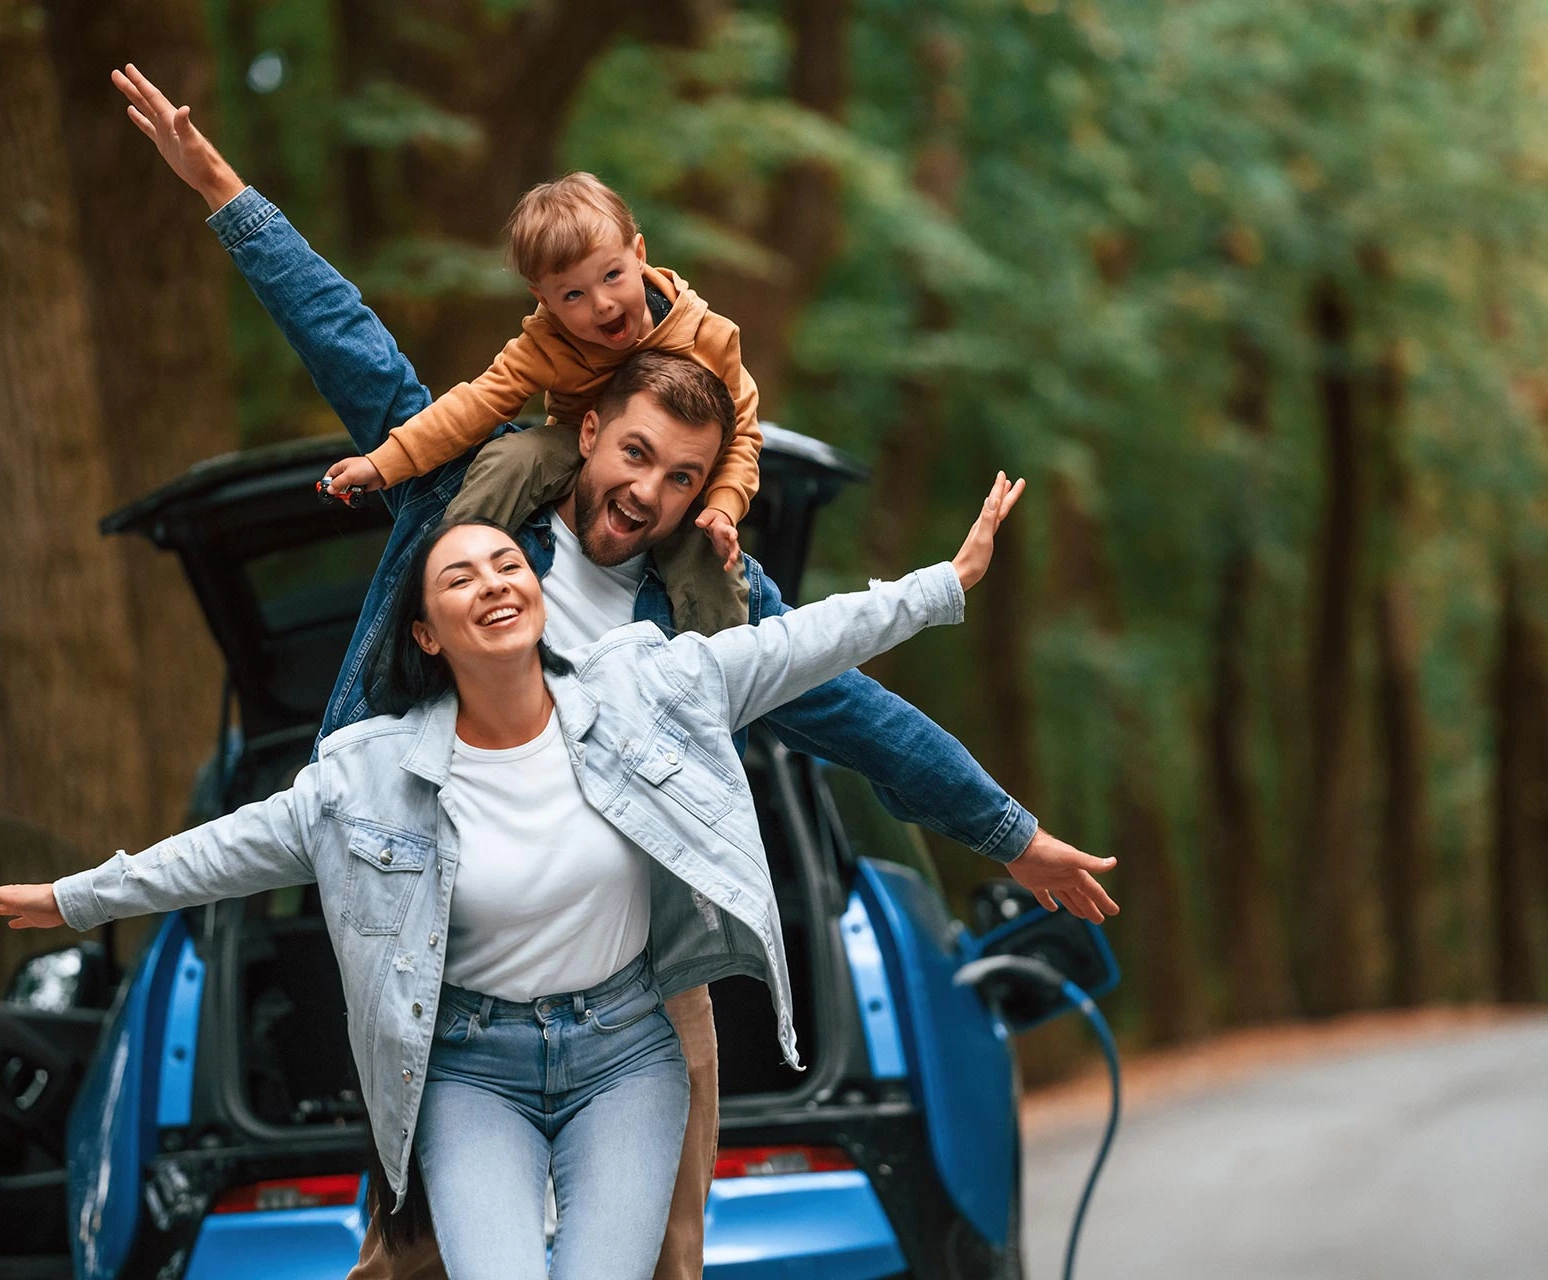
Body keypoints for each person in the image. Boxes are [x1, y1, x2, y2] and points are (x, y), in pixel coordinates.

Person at [108, 63, 1119, 1280]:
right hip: (451, 978)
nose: (648, 492)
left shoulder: (707, 608)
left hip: (642, 982)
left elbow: (853, 711)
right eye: (635, 454)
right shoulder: (472, 516)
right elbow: (353, 348)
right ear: (588, 432)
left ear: (704, 488)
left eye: (682, 477)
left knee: (668, 1261)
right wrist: (222, 190)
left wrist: (1009, 833)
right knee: (414, 1262)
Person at [0, 486, 1021, 1279]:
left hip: (628, 1052)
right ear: (427, 631)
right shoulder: (366, 771)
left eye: (505, 564)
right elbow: (224, 847)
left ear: (538, 594)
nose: (494, 582)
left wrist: (946, 582)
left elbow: (801, 643)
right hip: (472, 1074)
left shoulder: (647, 685)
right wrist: (74, 897)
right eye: (459, 576)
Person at [321, 171, 761, 637]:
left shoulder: (709, 336)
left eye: (612, 276)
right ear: (544, 298)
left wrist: (725, 504)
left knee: (708, 551)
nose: (603, 304)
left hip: (671, 475)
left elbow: (744, 432)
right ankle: (447, 578)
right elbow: (476, 404)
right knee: (514, 456)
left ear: (638, 254)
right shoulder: (545, 343)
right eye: (573, 294)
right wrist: (385, 463)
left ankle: (723, 677)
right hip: (576, 447)